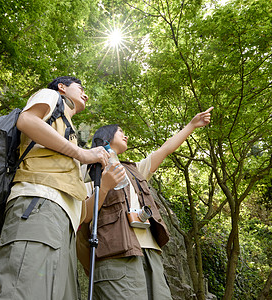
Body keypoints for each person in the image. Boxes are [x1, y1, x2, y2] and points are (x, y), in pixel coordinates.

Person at [0, 76, 110, 300]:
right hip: (39, 202)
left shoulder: (70, 133)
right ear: (62, 87)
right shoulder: (52, 96)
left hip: (63, 222)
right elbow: (27, 121)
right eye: (80, 88)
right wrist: (82, 154)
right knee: (23, 291)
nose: (86, 94)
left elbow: (82, 210)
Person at [78, 107, 213, 300]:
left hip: (151, 253)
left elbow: (165, 149)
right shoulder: (89, 170)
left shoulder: (135, 170)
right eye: (121, 132)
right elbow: (84, 215)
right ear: (106, 138)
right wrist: (105, 186)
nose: (126, 137)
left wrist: (191, 125)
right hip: (115, 254)